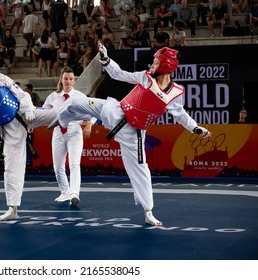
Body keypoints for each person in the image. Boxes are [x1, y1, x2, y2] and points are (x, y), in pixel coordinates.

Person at [51, 42, 212, 225]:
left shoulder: (175, 93)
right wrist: (105, 58)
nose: (153, 65)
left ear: (166, 65)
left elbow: (181, 115)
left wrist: (196, 128)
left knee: (141, 171)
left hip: (133, 134)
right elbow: (120, 74)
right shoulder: (146, 77)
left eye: (156, 62)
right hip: (116, 112)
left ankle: (148, 211)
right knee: (76, 103)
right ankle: (60, 120)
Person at [0, 51, 57, 222]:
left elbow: (21, 94)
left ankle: (90, 116)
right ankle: (12, 209)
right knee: (11, 170)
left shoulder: (0, 78)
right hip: (9, 131)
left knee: (58, 113)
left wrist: (29, 108)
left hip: (25, 115)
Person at [43, 67, 95, 206]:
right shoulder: (53, 97)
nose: (68, 81)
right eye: (65, 78)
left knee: (74, 164)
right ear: (61, 79)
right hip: (58, 132)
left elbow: (94, 111)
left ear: (74, 81)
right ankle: (65, 192)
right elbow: (43, 113)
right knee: (58, 167)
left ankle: (74, 193)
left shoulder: (80, 96)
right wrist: (32, 125)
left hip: (74, 132)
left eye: (71, 79)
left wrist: (89, 124)